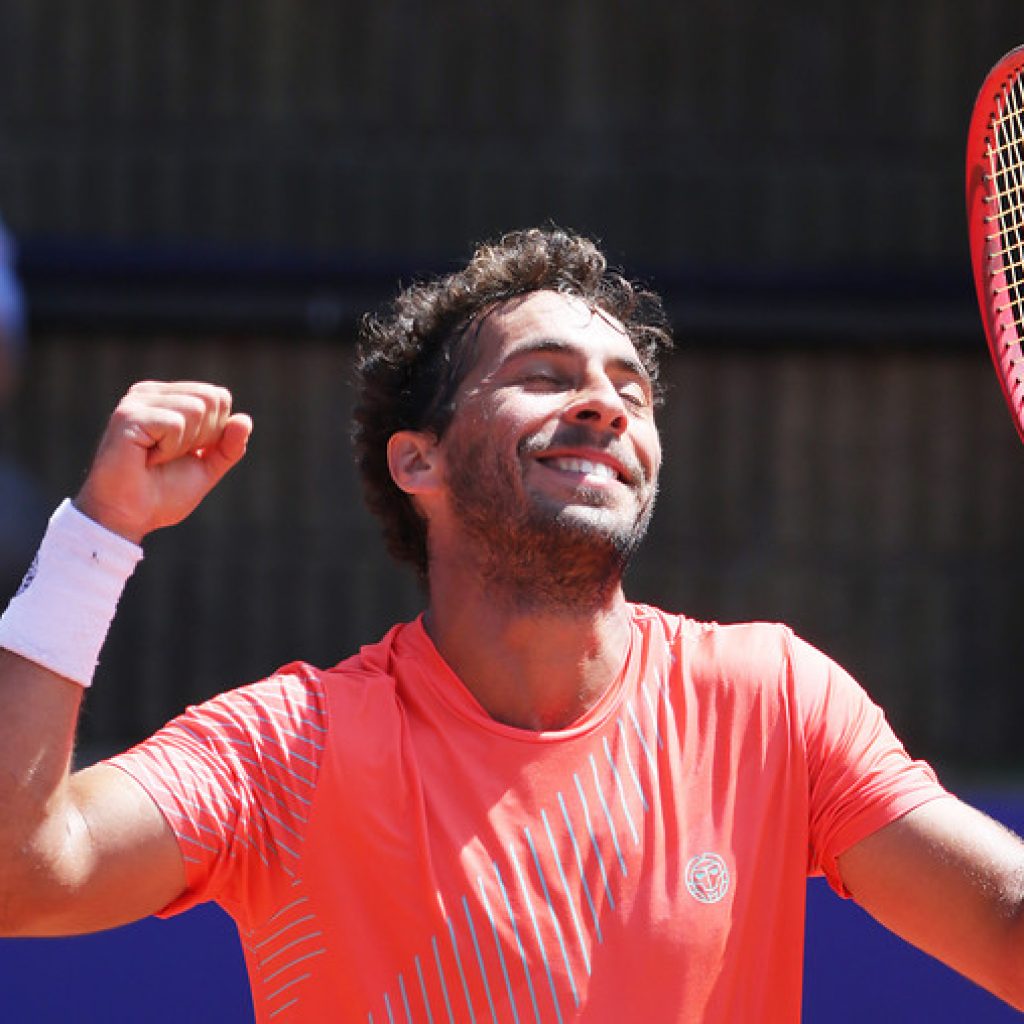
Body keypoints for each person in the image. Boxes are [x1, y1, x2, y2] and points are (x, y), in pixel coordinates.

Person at [0, 227, 1021, 1022]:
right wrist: (99, 532)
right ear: (419, 462)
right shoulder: (286, 748)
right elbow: (23, 878)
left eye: (631, 390)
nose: (605, 406)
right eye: (545, 375)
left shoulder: (774, 700)